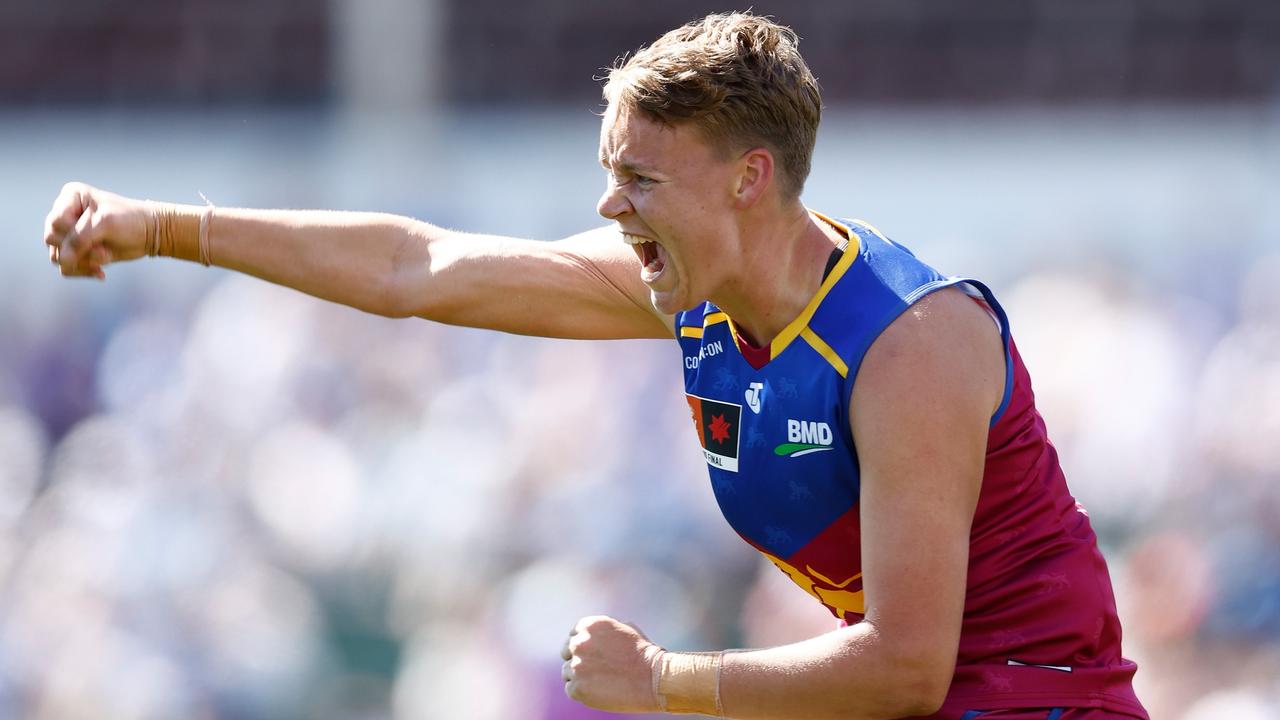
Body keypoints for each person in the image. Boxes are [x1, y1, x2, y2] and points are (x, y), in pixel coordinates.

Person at [43, 11, 1148, 720]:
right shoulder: (694, 289)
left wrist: (666, 682)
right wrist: (161, 228)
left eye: (638, 181)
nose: (607, 208)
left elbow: (909, 668)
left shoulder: (909, 344)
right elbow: (415, 265)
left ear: (746, 180)